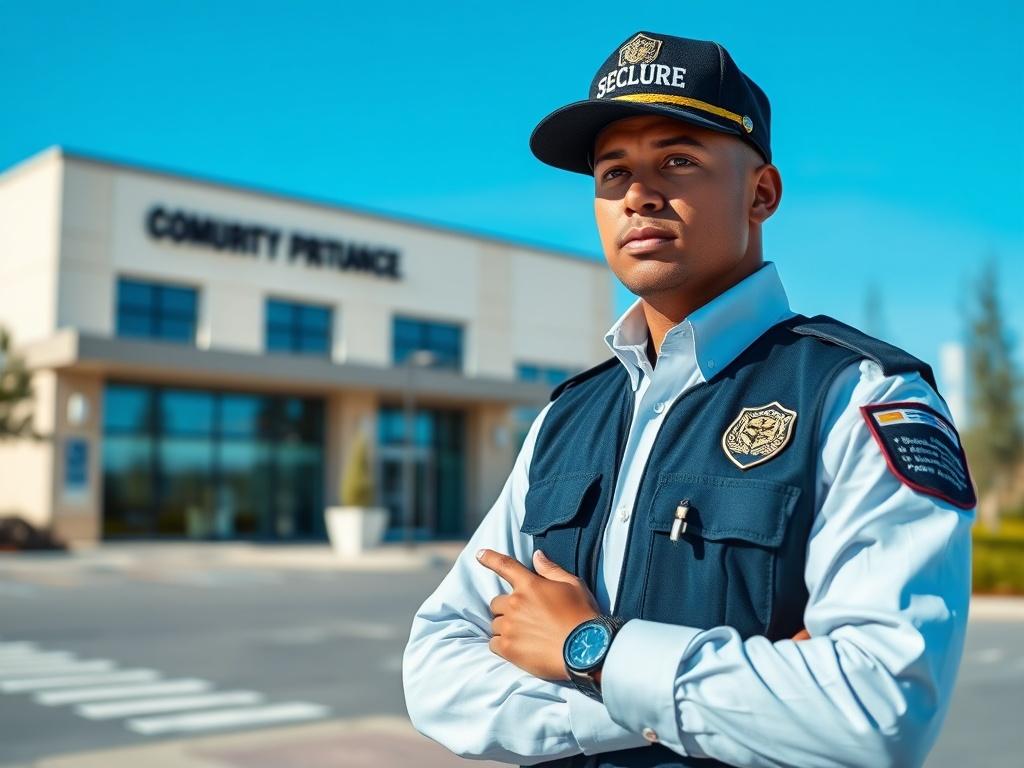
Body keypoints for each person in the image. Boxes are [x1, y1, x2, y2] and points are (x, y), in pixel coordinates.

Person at [402, 30, 976, 768]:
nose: (638, 192)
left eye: (677, 160)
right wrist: (666, 696)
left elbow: (876, 709)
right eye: (613, 172)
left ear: (761, 192)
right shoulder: (564, 418)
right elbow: (436, 671)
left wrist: (589, 650)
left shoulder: (858, 396)